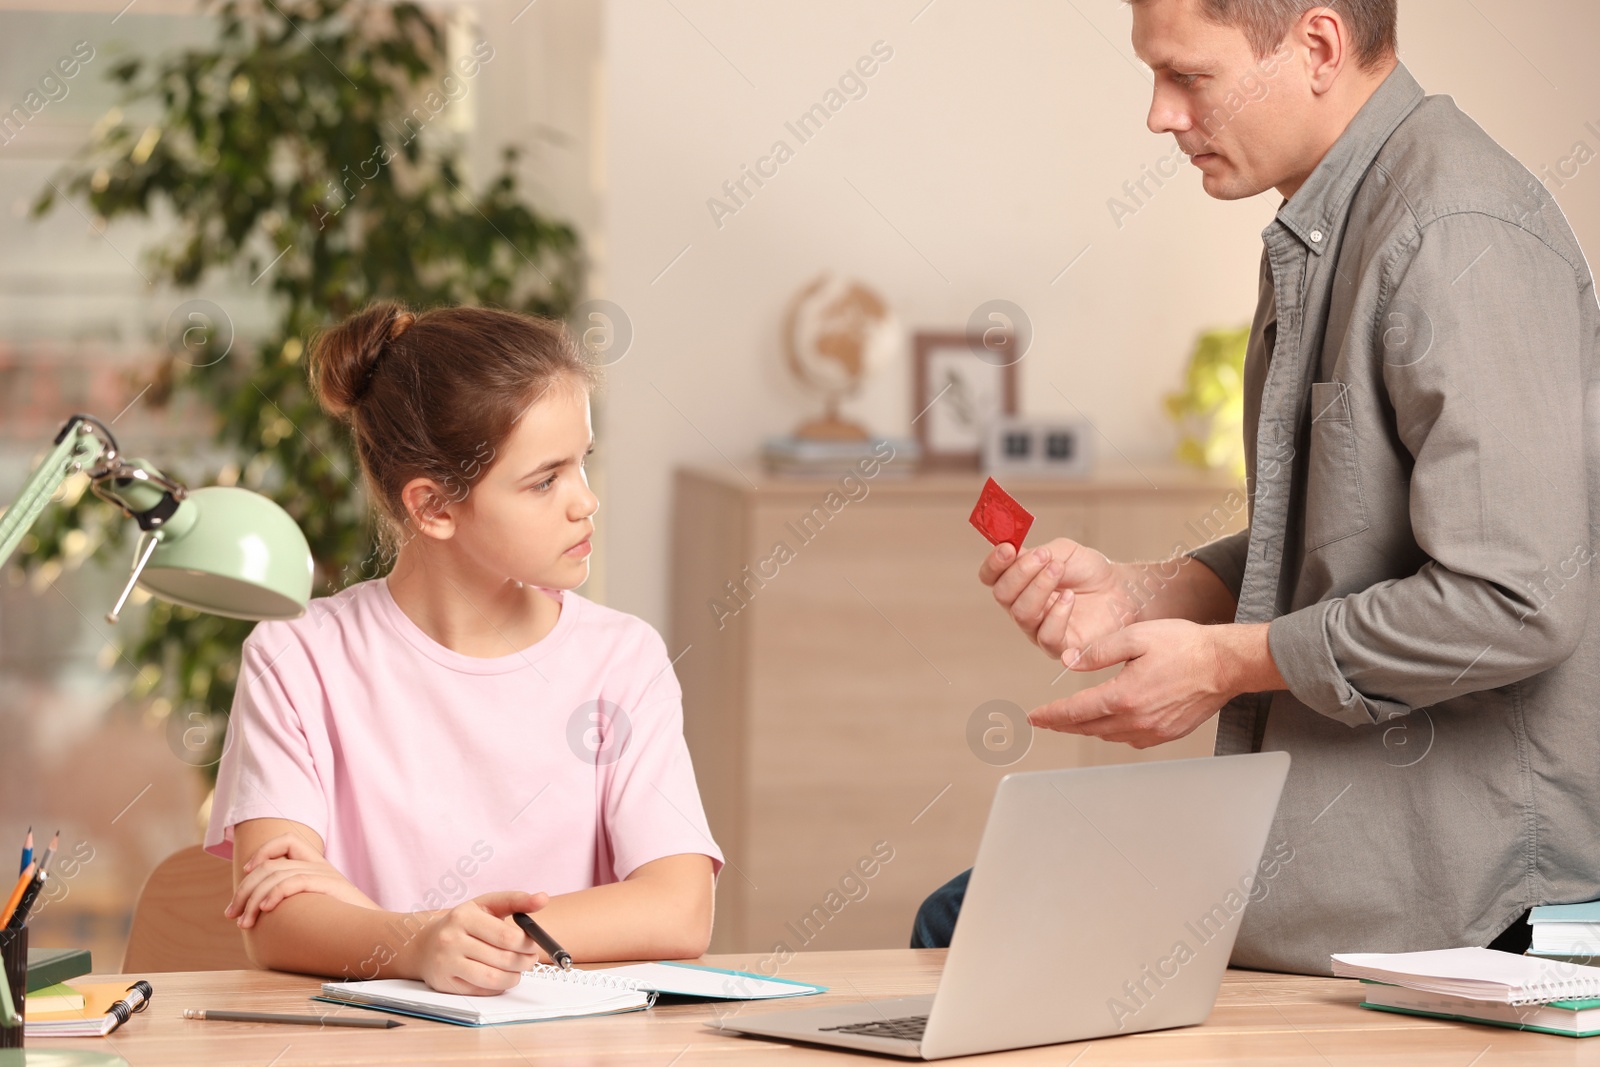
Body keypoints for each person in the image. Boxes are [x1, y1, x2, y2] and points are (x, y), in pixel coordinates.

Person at [914, 0, 1600, 976]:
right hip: (1340, 869)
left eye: (1186, 76)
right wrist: (1156, 589)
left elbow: (1516, 598)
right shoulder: (1332, 223)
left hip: (1466, 910)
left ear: (1316, 47)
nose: (1158, 114)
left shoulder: (1450, 235)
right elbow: (1354, 530)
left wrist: (1225, 663)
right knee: (963, 917)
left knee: (971, 928)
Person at [203, 303, 723, 995]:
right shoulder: (296, 660)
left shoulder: (622, 659)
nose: (585, 502)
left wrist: (427, 932)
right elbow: (274, 920)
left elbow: (680, 907)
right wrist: (420, 942)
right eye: (545, 480)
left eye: (581, 464)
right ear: (434, 508)